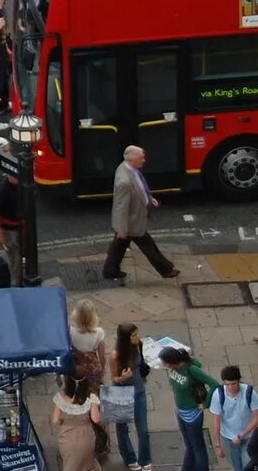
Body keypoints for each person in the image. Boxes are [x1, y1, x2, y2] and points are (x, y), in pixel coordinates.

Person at [103, 145, 179, 284]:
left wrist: (149, 199)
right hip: (132, 221)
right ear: (131, 159)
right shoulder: (124, 181)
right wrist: (122, 229)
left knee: (119, 246)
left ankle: (110, 270)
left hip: (131, 220)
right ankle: (166, 270)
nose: (144, 160)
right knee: (148, 245)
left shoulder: (129, 168)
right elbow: (121, 207)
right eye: (141, 158)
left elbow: (140, 186)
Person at [156, 345, 220, 471]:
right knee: (189, 443)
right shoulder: (175, 369)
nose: (164, 366)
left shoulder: (192, 370)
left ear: (172, 362)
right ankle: (187, 470)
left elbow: (215, 384)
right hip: (181, 410)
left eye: (165, 363)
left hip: (192, 413)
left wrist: (206, 404)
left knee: (198, 448)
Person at [209, 363, 258, 471]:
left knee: (247, 467)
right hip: (228, 438)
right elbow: (216, 420)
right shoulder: (218, 394)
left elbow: (257, 417)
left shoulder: (249, 393)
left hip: (249, 437)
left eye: (233, 383)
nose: (231, 387)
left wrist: (242, 435)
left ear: (239, 381)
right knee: (239, 470)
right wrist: (218, 445)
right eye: (227, 384)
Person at [51, 373, 102, 471]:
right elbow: (96, 419)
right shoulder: (90, 398)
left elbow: (56, 420)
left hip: (67, 438)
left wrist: (66, 423)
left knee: (70, 469)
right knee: (87, 467)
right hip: (86, 437)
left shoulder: (61, 398)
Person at [107, 322, 150, 471]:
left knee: (143, 428)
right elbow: (114, 378)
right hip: (120, 391)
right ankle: (129, 458)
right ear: (125, 338)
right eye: (133, 335)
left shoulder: (139, 344)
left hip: (138, 390)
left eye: (137, 333)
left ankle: (145, 459)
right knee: (122, 428)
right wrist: (123, 378)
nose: (137, 337)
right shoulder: (115, 355)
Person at [68, 300, 105, 390]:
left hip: (76, 368)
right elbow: (102, 356)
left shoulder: (70, 331)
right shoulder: (99, 332)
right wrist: (102, 370)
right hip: (92, 369)